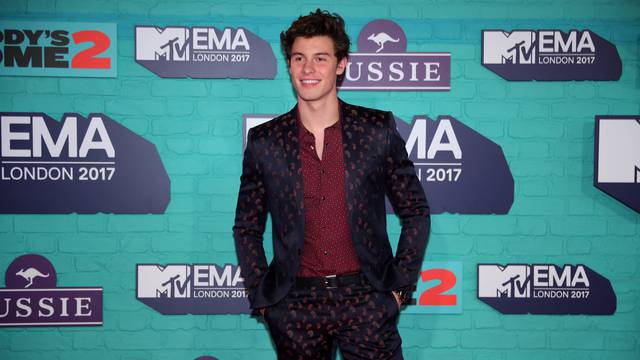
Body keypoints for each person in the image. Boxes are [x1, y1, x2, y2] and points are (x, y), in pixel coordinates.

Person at [233, 9, 430, 360]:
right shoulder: (265, 141)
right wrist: (264, 299)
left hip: (366, 300)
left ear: (341, 65)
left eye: (320, 58)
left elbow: (415, 211)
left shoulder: (375, 130)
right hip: (295, 307)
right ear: (290, 65)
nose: (308, 69)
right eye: (299, 58)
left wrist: (399, 287)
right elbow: (246, 226)